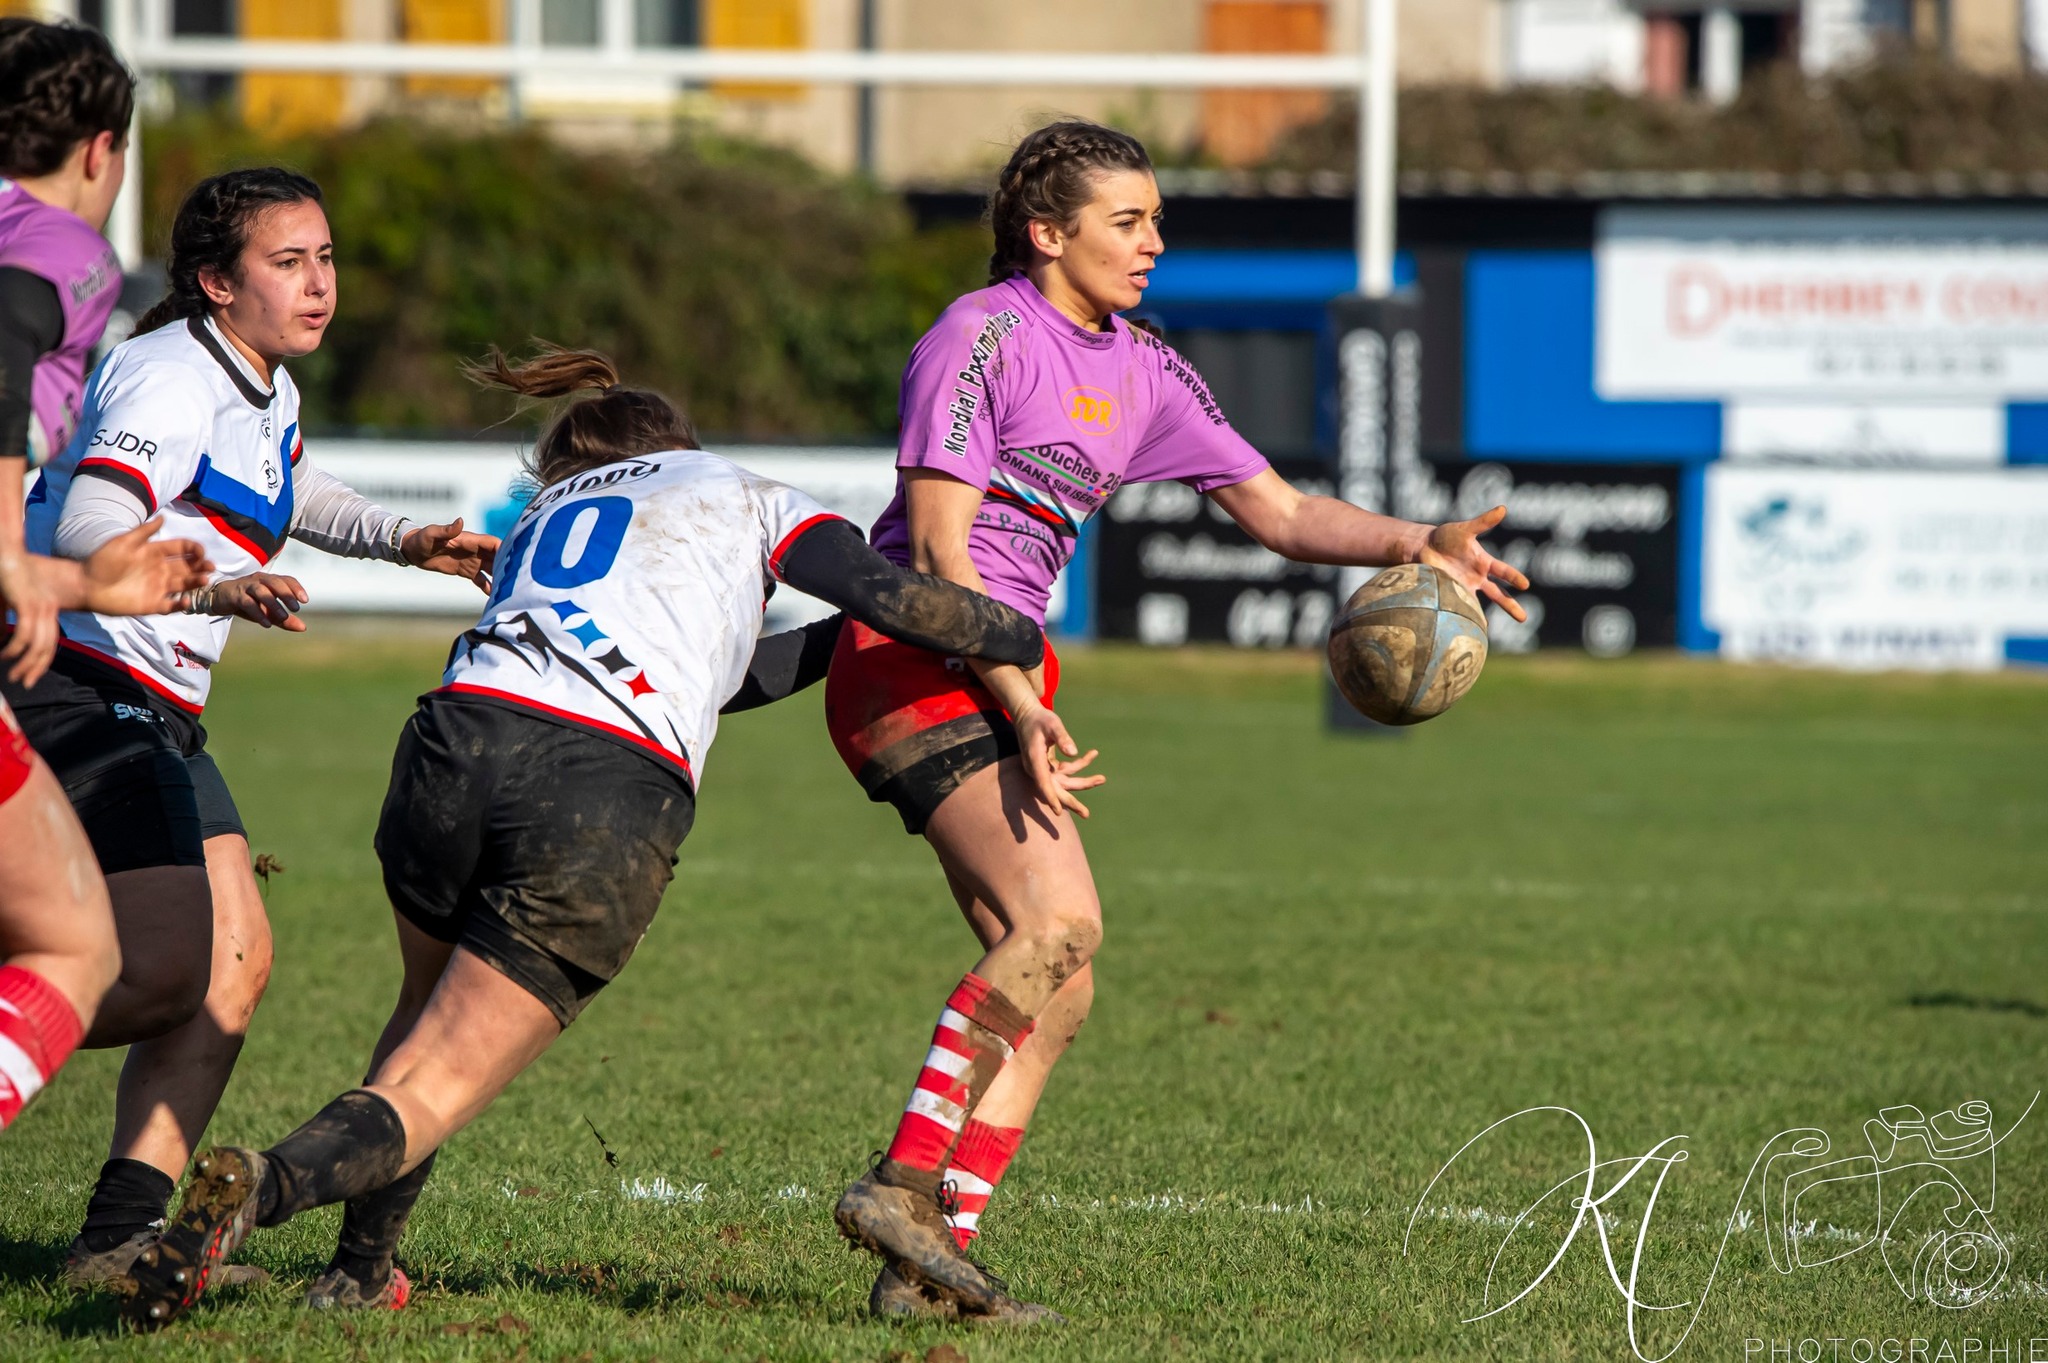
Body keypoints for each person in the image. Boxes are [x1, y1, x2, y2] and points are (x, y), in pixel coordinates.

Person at [121, 344, 1056, 1328]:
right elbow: (881, 592)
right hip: (599, 785)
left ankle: (359, 1270)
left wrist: (837, 649)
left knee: (422, 1013)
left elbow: (721, 681)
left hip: (452, 737)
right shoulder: (739, 487)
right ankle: (259, 1188)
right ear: (678, 443)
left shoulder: (542, 516)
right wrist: (1014, 636)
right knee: (441, 1078)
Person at [823, 120, 1531, 1323]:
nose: (1155, 243)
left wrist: (1420, 540)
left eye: (1155, 219)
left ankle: (927, 1265)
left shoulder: (1144, 369)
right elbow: (941, 551)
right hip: (917, 654)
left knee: (1062, 982)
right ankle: (900, 1184)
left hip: (997, 668)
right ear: (1046, 234)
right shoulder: (976, 335)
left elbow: (1281, 510)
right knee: (1061, 922)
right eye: (1128, 222)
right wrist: (1013, 693)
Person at [12, 166, 496, 1286]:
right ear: (217, 284)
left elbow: (292, 484)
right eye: (289, 264)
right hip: (74, 681)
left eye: (326, 258)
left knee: (233, 965)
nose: (320, 285)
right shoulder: (172, 378)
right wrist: (210, 589)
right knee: (153, 973)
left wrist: (402, 539)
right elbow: (92, 524)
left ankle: (115, 1238)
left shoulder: (257, 381)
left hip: (156, 703)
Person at [1, 528, 212, 1131]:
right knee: (78, 954)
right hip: (77, 693)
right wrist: (85, 582)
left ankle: (123, 1217)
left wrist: (85, 584)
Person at [0, 17, 135, 686]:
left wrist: (75, 583)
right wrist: (9, 560)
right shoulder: (67, 247)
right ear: (98, 151)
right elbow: (8, 321)